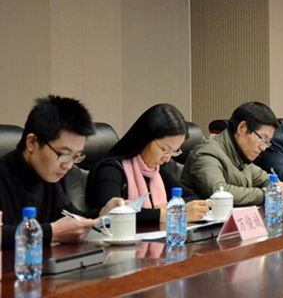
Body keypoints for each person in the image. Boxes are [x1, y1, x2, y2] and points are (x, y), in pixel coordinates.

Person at [0, 95, 122, 249]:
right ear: (32, 142)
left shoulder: (47, 174)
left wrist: (103, 213)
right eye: (64, 154)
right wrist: (52, 233)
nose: (68, 165)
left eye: (75, 156)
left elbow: (69, 216)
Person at [87, 104, 208, 224]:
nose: (167, 159)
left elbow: (191, 197)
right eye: (164, 149)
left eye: (174, 151)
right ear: (145, 139)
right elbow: (112, 213)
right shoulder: (110, 169)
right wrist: (170, 214)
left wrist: (172, 208)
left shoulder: (154, 171)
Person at [181, 102, 283, 207]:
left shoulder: (241, 156)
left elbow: (265, 178)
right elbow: (218, 192)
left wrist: (275, 186)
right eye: (263, 139)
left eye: (267, 142)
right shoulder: (206, 153)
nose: (263, 147)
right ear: (242, 128)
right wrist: (266, 194)